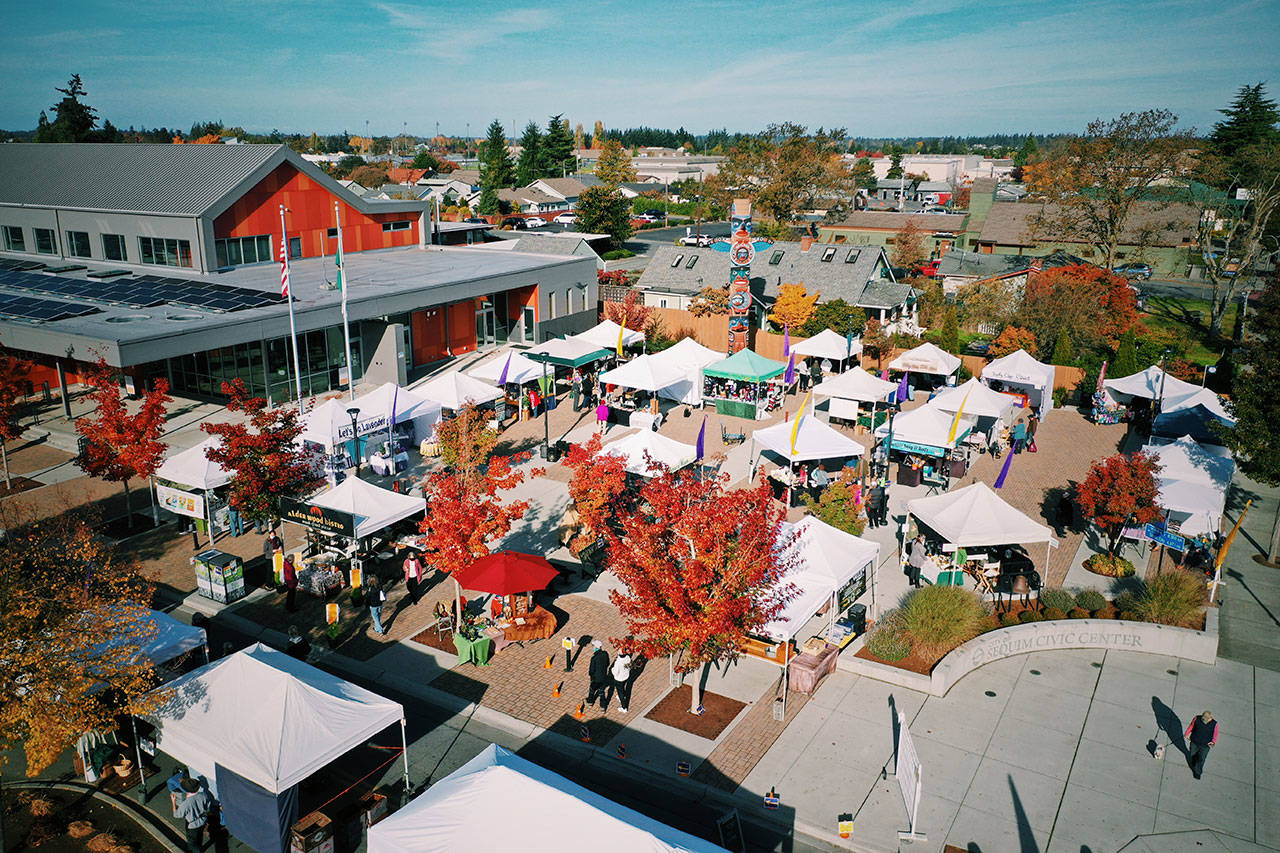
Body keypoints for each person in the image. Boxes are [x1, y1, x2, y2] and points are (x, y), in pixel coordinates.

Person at [176, 775, 213, 853]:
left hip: (192, 825)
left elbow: (177, 815)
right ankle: (199, 847)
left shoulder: (186, 803)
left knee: (192, 843)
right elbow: (208, 806)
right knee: (199, 837)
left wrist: (173, 801)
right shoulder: (204, 795)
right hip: (203, 820)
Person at [1184, 711, 1219, 779]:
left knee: (1201, 759)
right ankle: (1194, 764)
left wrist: (1213, 742)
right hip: (1194, 742)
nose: (1203, 720)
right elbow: (1192, 726)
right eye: (1203, 718)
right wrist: (1186, 733)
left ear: (1210, 718)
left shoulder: (1215, 724)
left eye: (1206, 719)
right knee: (1192, 754)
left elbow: (1216, 734)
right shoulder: (1197, 718)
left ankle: (1197, 772)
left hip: (1205, 745)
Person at [585, 639, 611, 712]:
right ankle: (603, 706)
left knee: (592, 689)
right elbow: (608, 663)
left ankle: (590, 701)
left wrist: (591, 675)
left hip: (595, 678)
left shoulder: (594, 658)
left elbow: (591, 669)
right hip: (603, 676)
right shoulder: (605, 654)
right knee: (601, 691)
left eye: (593, 646)